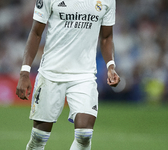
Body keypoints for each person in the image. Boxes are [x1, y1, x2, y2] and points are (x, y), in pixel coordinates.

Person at [16, 0, 120, 149]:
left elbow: (106, 37)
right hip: (51, 73)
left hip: (84, 75)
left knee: (84, 135)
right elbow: (36, 32)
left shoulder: (107, 1)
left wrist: (111, 66)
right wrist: (24, 72)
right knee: (38, 138)